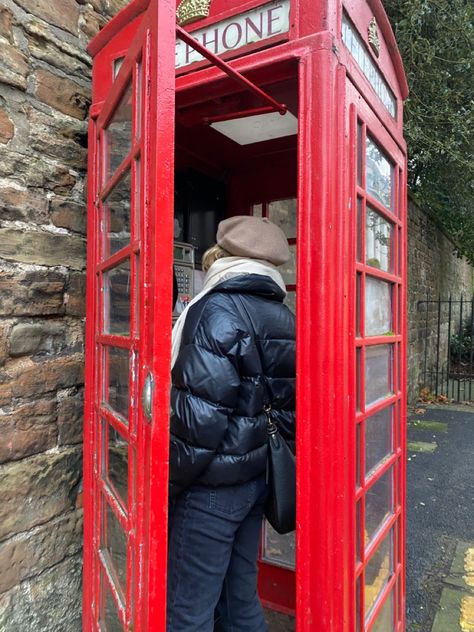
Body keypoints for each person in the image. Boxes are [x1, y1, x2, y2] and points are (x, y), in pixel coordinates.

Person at [167, 215, 296, 632]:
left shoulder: (213, 309)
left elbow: (199, 421)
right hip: (258, 479)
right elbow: (289, 407)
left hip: (210, 490)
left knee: (188, 611)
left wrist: (168, 485)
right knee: (240, 597)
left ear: (220, 255)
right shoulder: (283, 315)